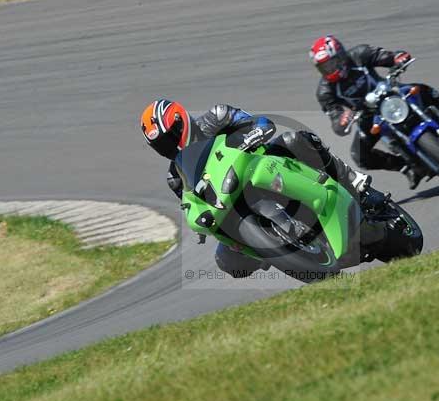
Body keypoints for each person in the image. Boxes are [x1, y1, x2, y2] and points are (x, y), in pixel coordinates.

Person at [139, 98, 388, 278]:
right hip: (230, 202)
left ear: (182, 121)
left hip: (264, 164)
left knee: (297, 140)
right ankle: (271, 251)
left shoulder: (216, 116)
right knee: (226, 261)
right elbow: (191, 202)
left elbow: (260, 122)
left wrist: (252, 135)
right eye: (161, 144)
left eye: (170, 136)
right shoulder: (175, 175)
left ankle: (357, 185)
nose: (169, 145)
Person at [310, 35, 439, 189]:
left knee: (423, 90)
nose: (328, 70)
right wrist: (342, 119)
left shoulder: (359, 54)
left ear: (340, 56)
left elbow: (386, 57)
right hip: (368, 116)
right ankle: (406, 168)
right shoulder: (325, 91)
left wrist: (397, 58)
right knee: (359, 155)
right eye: (323, 67)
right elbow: (334, 116)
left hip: (391, 94)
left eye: (330, 64)